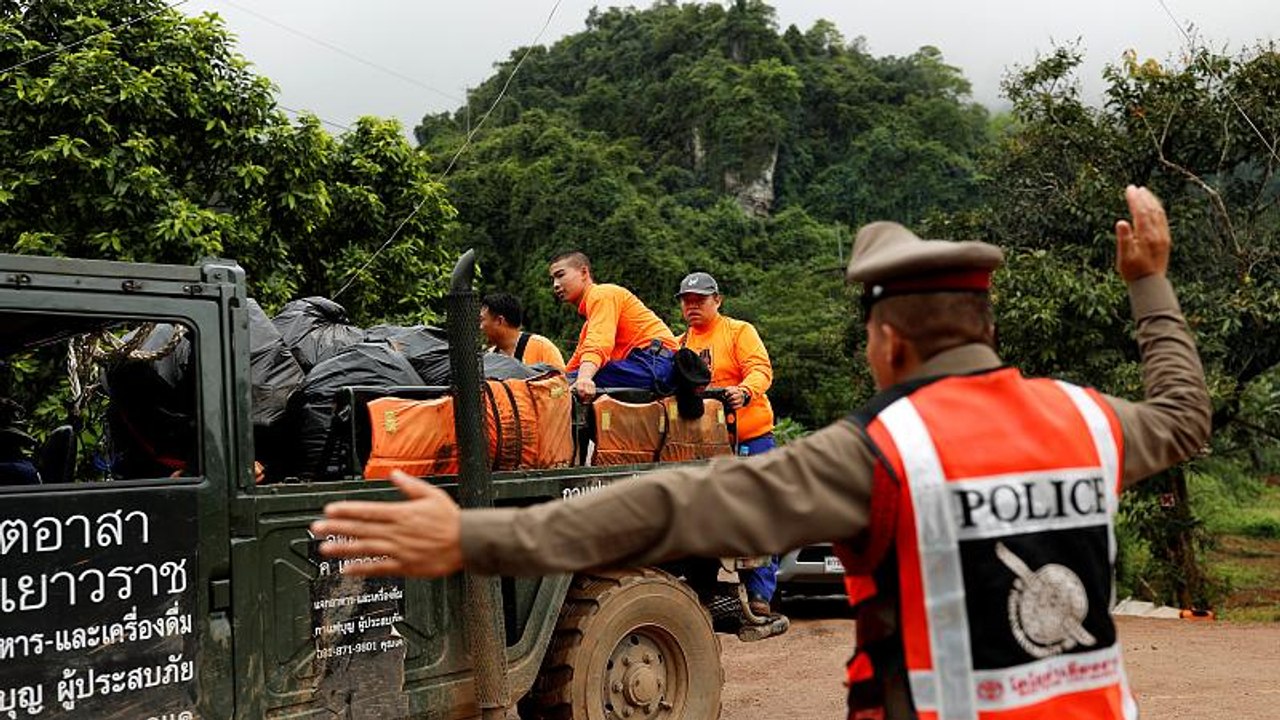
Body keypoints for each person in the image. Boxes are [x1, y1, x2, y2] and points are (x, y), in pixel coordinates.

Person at [313, 187, 1211, 719]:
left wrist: (479, 539)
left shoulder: (879, 453)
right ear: (986, 323)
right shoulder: (1089, 421)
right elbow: (1183, 413)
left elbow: (673, 506)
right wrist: (1150, 283)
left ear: (888, 343)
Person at [677, 270, 780, 614]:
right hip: (702, 446)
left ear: (717, 300)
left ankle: (760, 594)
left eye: (700, 300)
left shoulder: (738, 332)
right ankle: (702, 590)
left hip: (750, 438)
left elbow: (760, 369)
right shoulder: (679, 344)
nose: (692, 307)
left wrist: (745, 391)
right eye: (686, 301)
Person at [547, 251, 680, 401]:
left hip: (655, 363)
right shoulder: (590, 324)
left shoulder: (601, 294)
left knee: (561, 387)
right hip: (645, 366)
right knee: (558, 385)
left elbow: (599, 342)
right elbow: (574, 366)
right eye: (552, 279)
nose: (556, 285)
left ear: (584, 272)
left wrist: (583, 378)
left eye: (560, 275)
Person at [479, 292, 566, 370]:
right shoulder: (488, 357)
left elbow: (560, 383)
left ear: (499, 321)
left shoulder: (542, 347)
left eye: (482, 320)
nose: (480, 327)